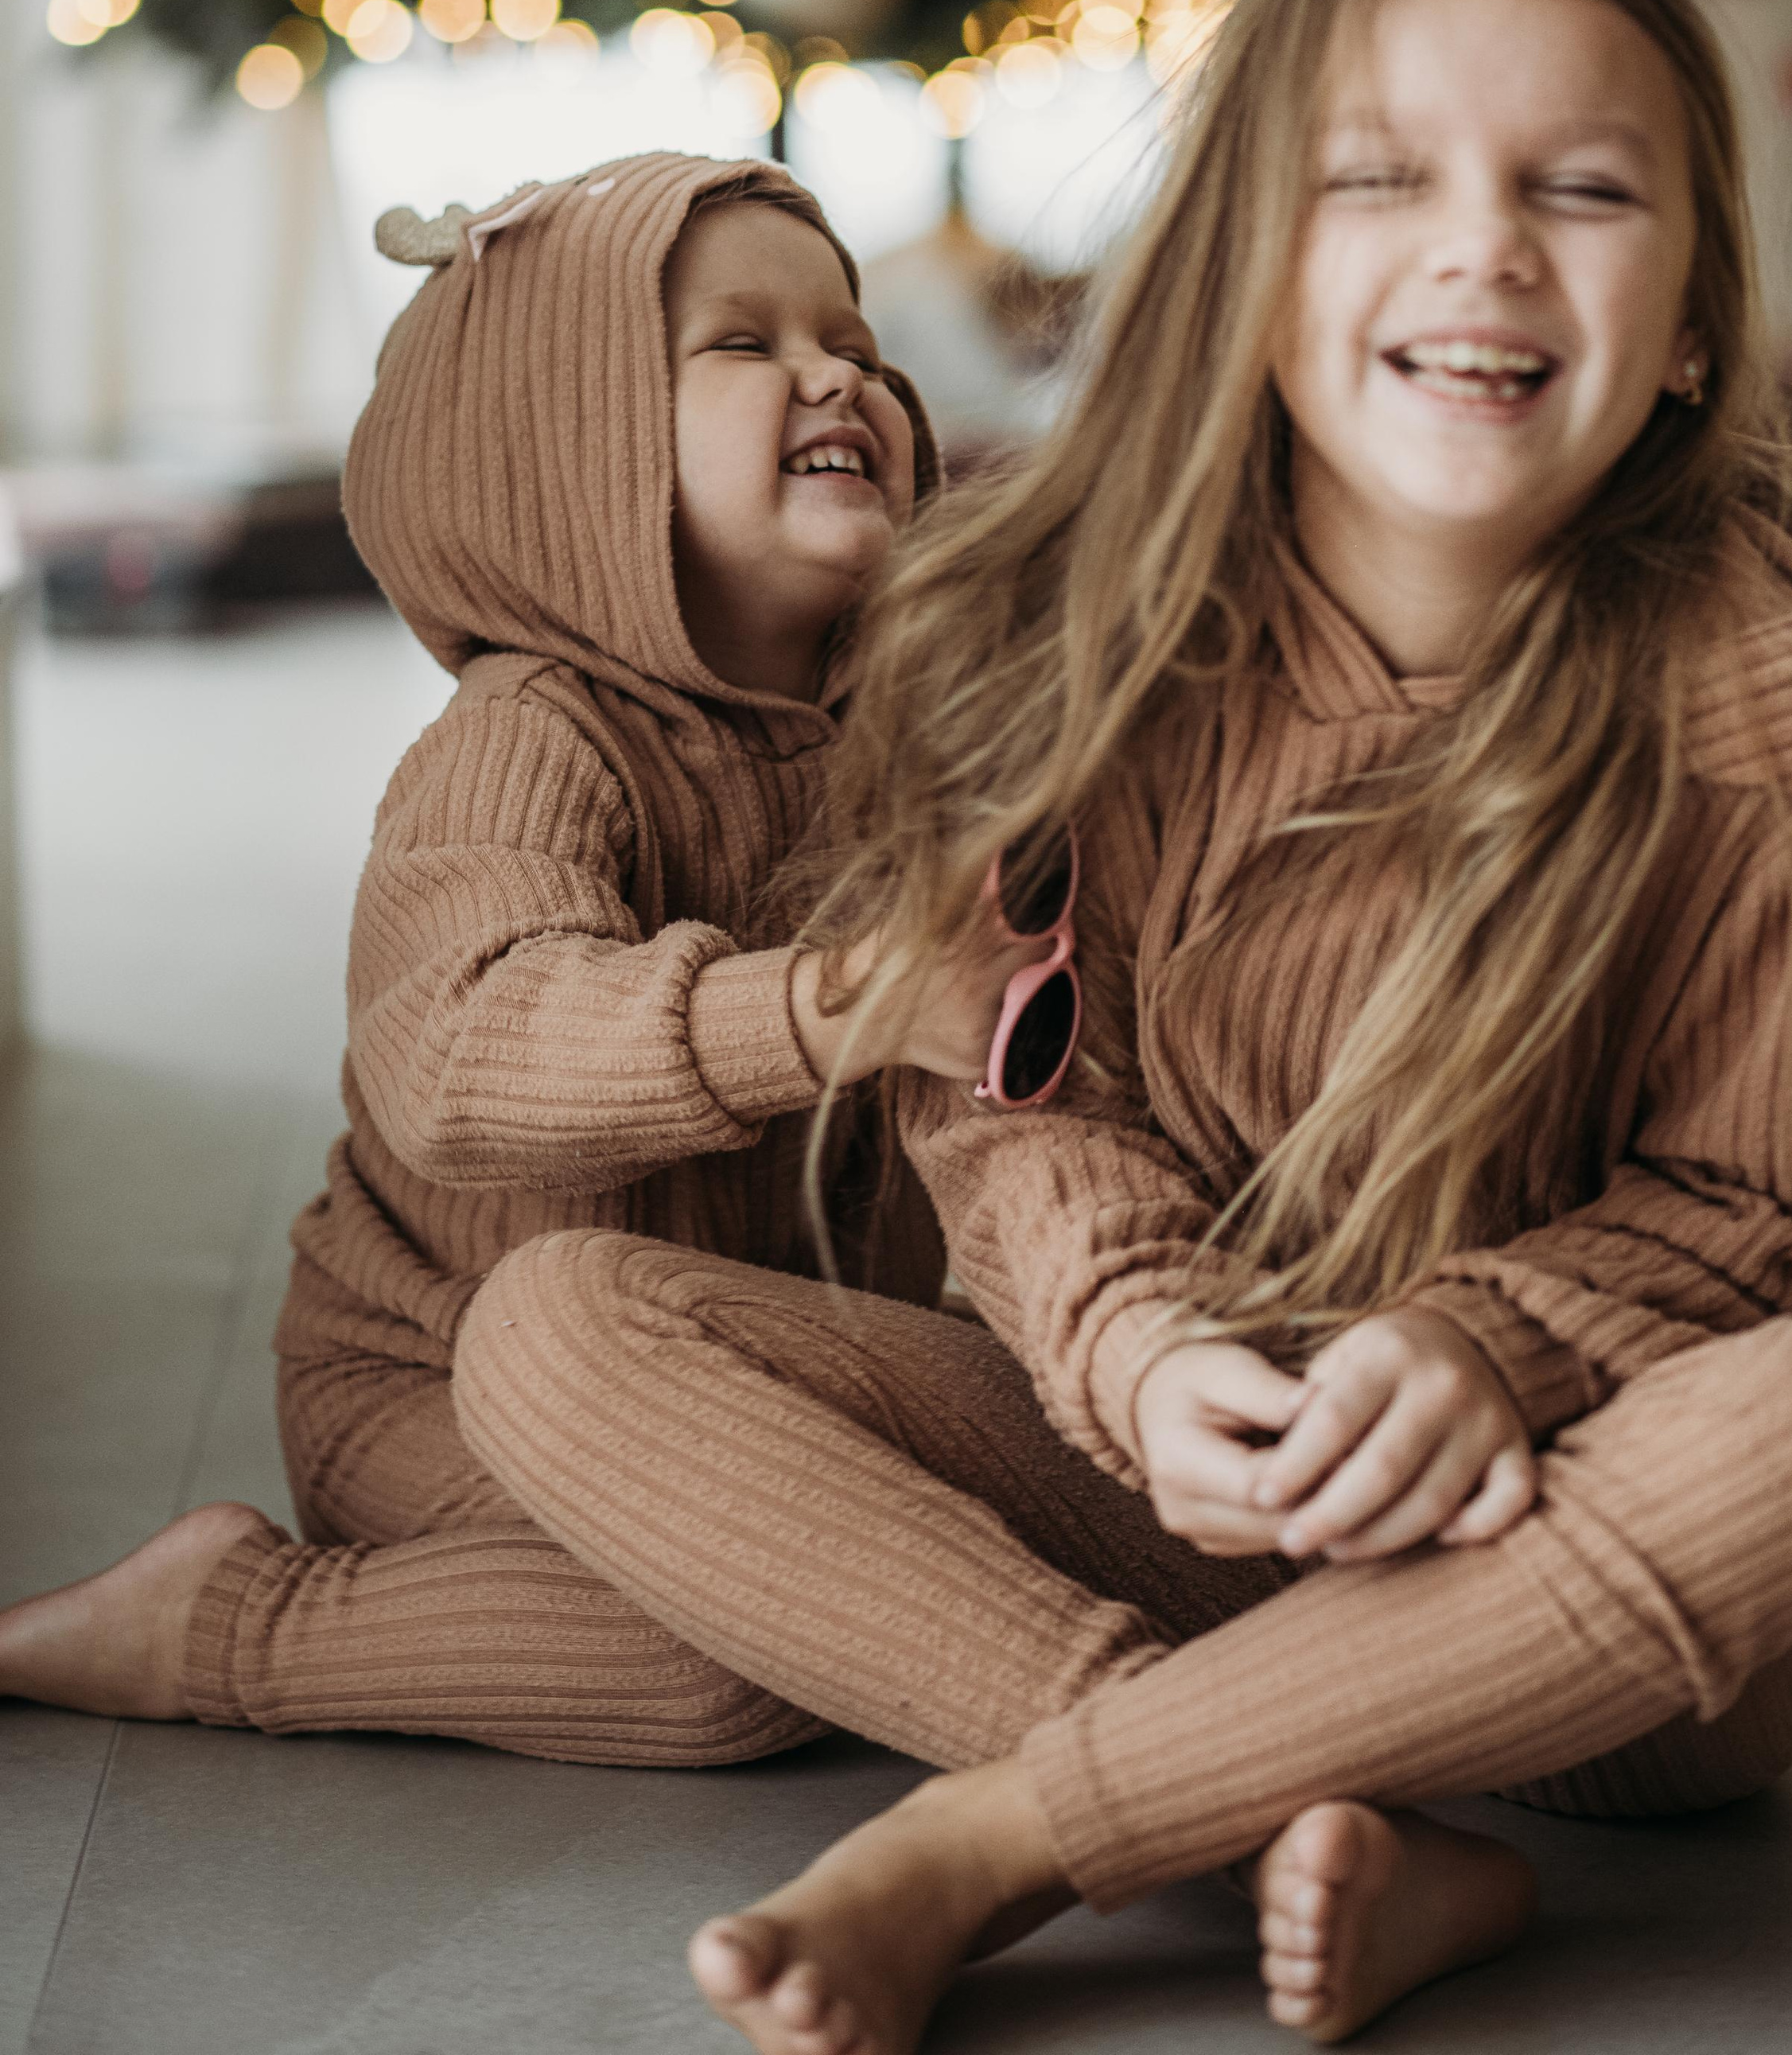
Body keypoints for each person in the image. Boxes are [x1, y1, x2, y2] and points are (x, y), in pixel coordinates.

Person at [422, 0, 1792, 2053]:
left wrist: (1485, 1352)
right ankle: (1272, 1819)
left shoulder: (1785, 694)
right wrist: (1149, 1358)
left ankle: (998, 1842)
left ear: (1705, 316)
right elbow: (1018, 1093)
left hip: (1572, 1556)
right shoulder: (1074, 641)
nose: (1484, 247)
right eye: (1378, 177)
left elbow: (1755, 1220)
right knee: (557, 1327)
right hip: (1164, 1480)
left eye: (1585, 192)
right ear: (1249, 268)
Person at [0, 151, 1089, 1753]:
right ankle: (227, 1619)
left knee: (938, 1542)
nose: (835, 372)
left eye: (853, 343)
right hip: (450, 1391)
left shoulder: (912, 740)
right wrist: (821, 1007)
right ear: (564, 451)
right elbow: (450, 1050)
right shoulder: (528, 740)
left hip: (756, 1366)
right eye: (742, 345)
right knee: (721, 1662)